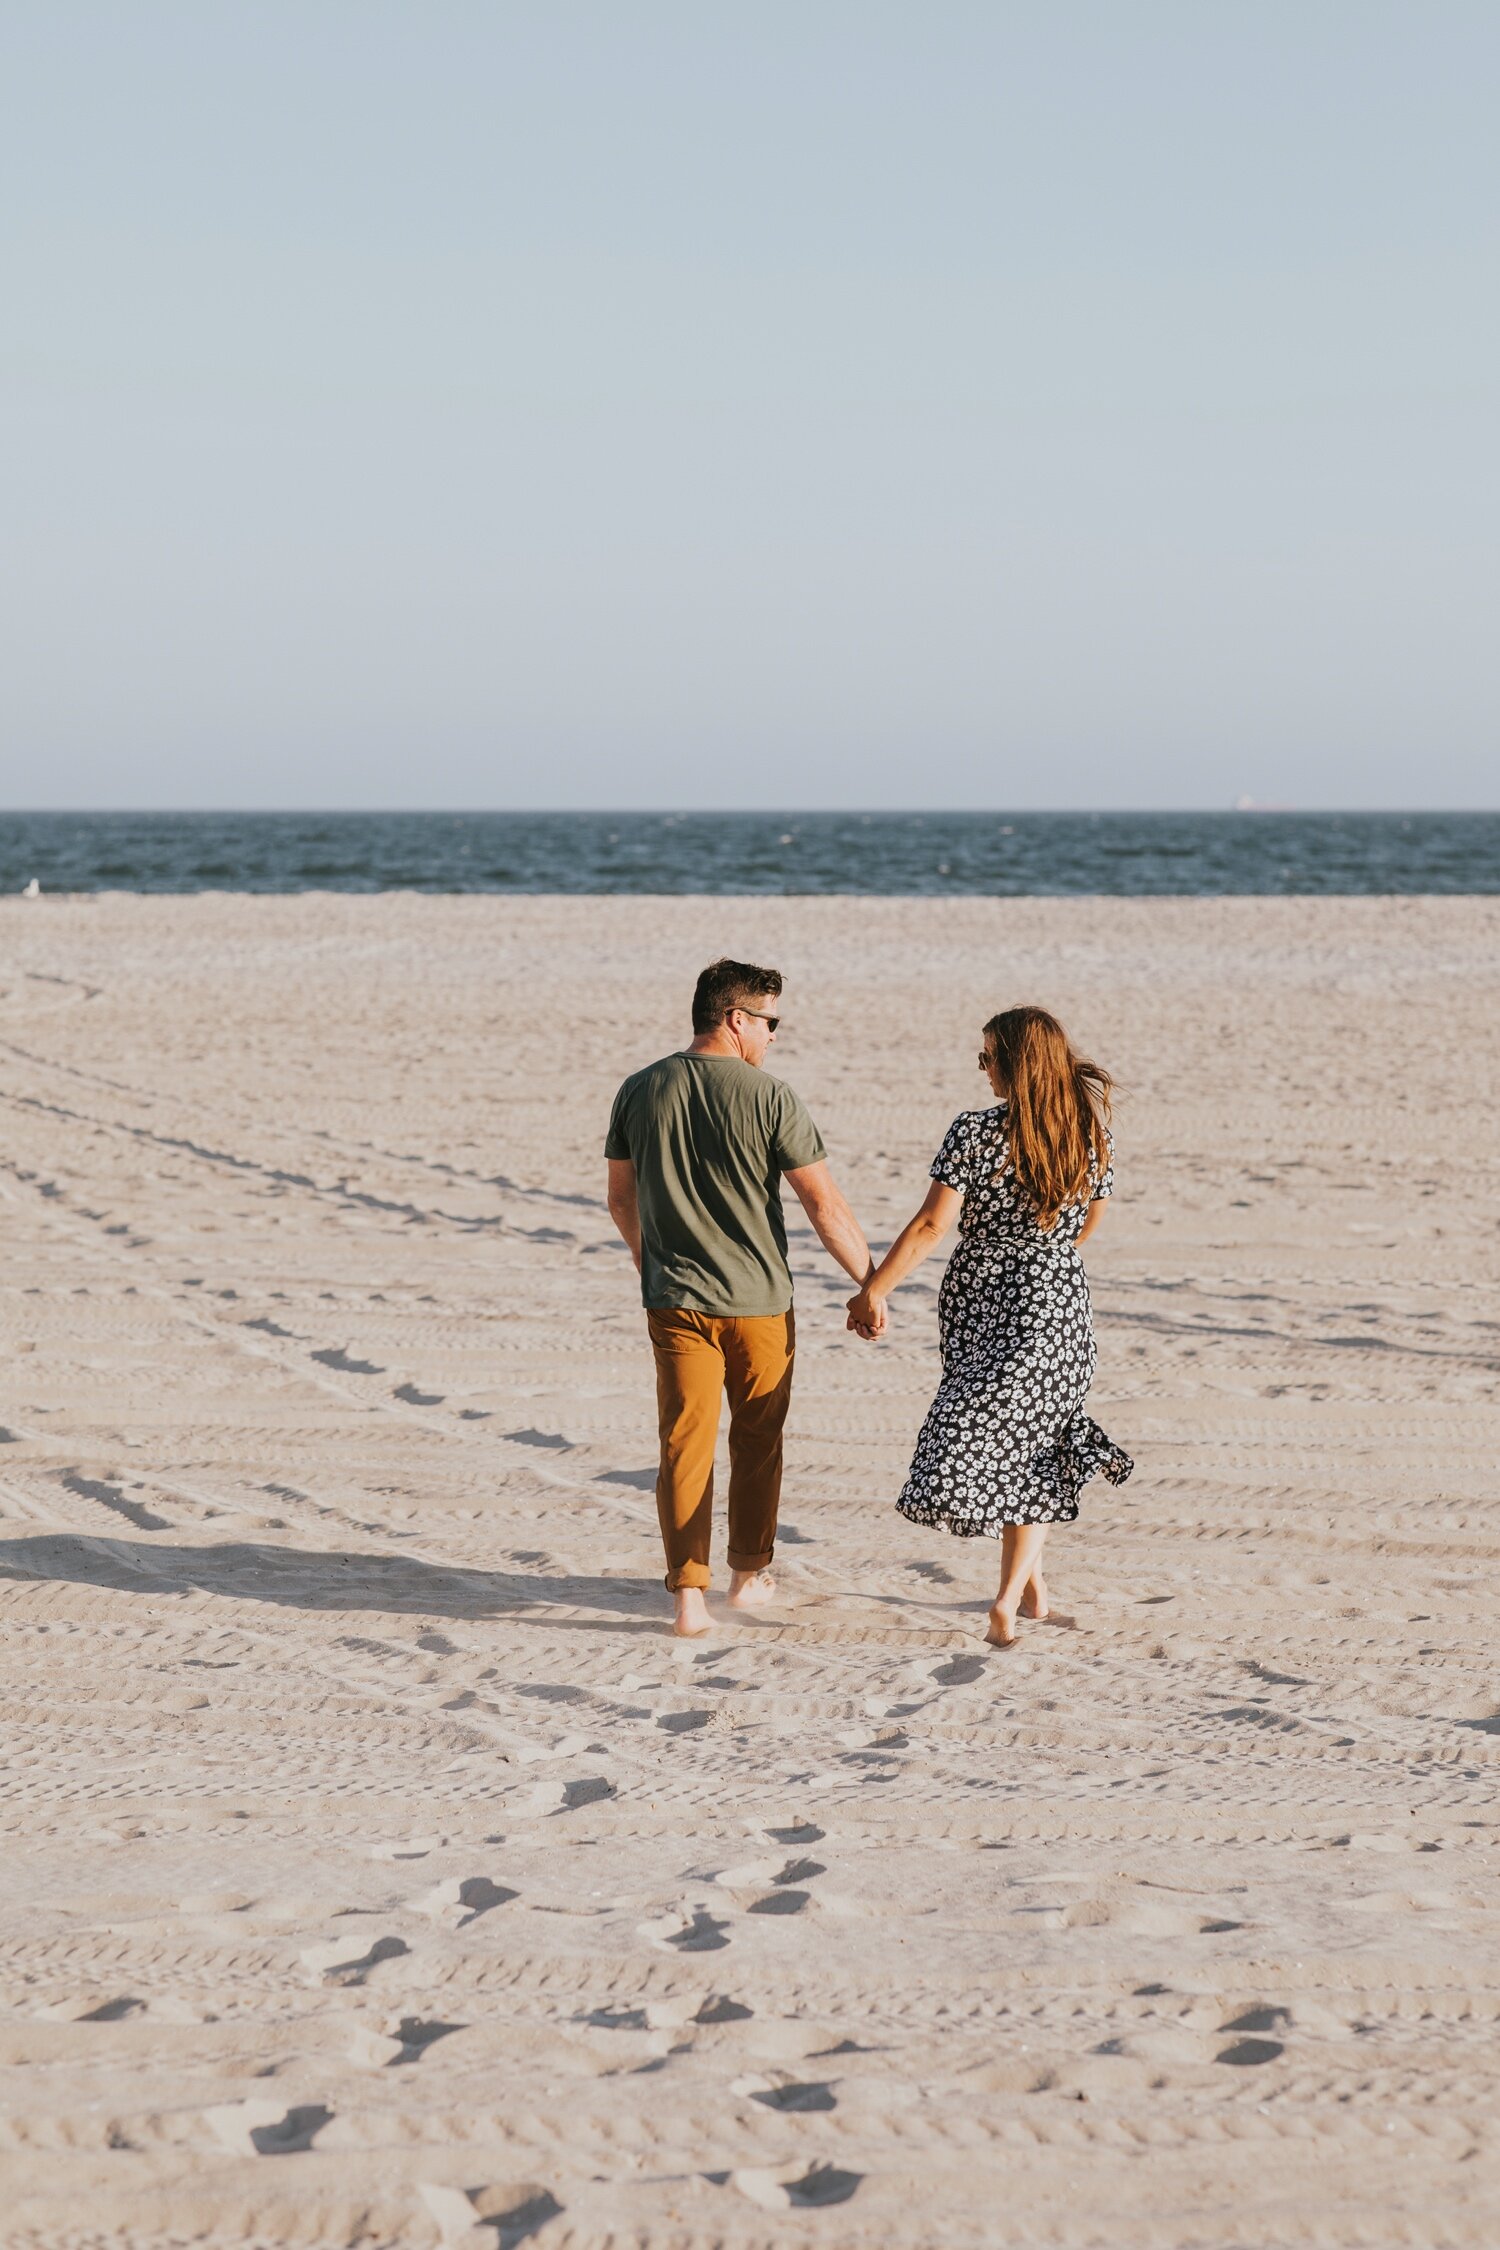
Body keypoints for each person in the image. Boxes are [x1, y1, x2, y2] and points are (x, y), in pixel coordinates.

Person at [606, 958, 878, 1637]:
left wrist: (652, 1262)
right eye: (769, 1021)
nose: (774, 1036)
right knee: (757, 1441)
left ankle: (688, 1599)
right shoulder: (770, 1096)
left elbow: (620, 1196)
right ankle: (748, 1574)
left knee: (684, 1442)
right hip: (759, 1303)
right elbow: (823, 1204)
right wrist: (871, 1283)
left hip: (674, 1301)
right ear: (735, 1019)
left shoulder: (639, 1089)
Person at [846, 1006, 1132, 1648]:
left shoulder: (975, 1133)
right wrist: (1045, 1249)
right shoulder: (1091, 1133)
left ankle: (1006, 1601)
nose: (984, 1071)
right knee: (1035, 1440)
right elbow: (1090, 1223)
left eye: (988, 1058)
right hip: (1058, 1299)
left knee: (1022, 1447)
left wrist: (874, 1291)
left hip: (984, 1298)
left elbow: (929, 1226)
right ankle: (1032, 1595)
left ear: (1015, 1063)